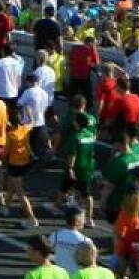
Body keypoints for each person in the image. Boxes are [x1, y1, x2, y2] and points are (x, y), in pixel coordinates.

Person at [55, 95, 98, 225]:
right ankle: (90, 219)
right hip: (88, 163)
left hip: (76, 164)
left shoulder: (75, 135)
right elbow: (95, 136)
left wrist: (69, 167)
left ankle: (57, 206)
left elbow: (71, 154)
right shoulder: (91, 130)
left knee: (64, 186)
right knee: (87, 193)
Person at [3, 118, 41, 229]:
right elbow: (32, 123)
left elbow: (6, 152)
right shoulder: (24, 129)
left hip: (14, 164)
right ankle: (6, 206)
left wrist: (1, 160)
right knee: (12, 185)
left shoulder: (10, 135)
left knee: (20, 192)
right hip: (24, 162)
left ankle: (32, 218)